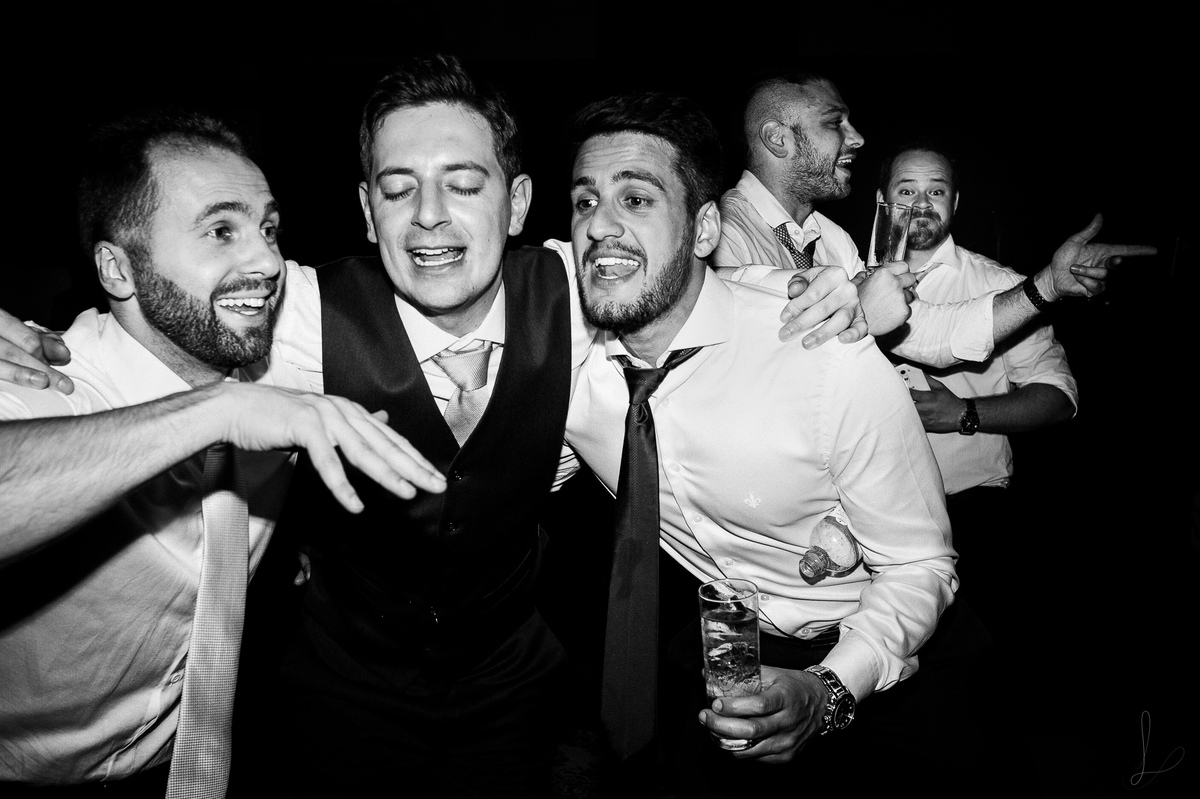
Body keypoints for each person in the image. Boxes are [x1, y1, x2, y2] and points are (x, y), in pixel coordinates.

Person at [545, 91, 998, 797]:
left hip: (896, 653)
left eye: (635, 199)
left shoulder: (820, 351)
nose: (599, 224)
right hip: (734, 648)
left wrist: (828, 689)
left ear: (704, 229)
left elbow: (921, 564)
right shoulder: (573, 368)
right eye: (583, 202)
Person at [0, 110, 446, 797]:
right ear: (117, 268)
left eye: (268, 228)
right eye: (220, 231)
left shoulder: (274, 359)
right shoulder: (46, 379)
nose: (267, 262)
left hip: (196, 759)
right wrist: (217, 411)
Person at [712, 71, 1157, 367]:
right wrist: (860, 309)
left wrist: (1047, 285)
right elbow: (739, 368)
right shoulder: (715, 235)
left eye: (937, 191)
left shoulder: (833, 241)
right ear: (778, 138)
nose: (857, 138)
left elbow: (932, 335)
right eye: (835, 123)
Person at [878, 143, 1078, 622]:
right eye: (906, 190)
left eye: (936, 191)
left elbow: (1060, 398)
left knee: (976, 652)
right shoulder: (846, 278)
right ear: (882, 201)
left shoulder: (1004, 288)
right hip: (867, 514)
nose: (921, 203)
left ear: (955, 202)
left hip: (969, 513)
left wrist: (964, 414)